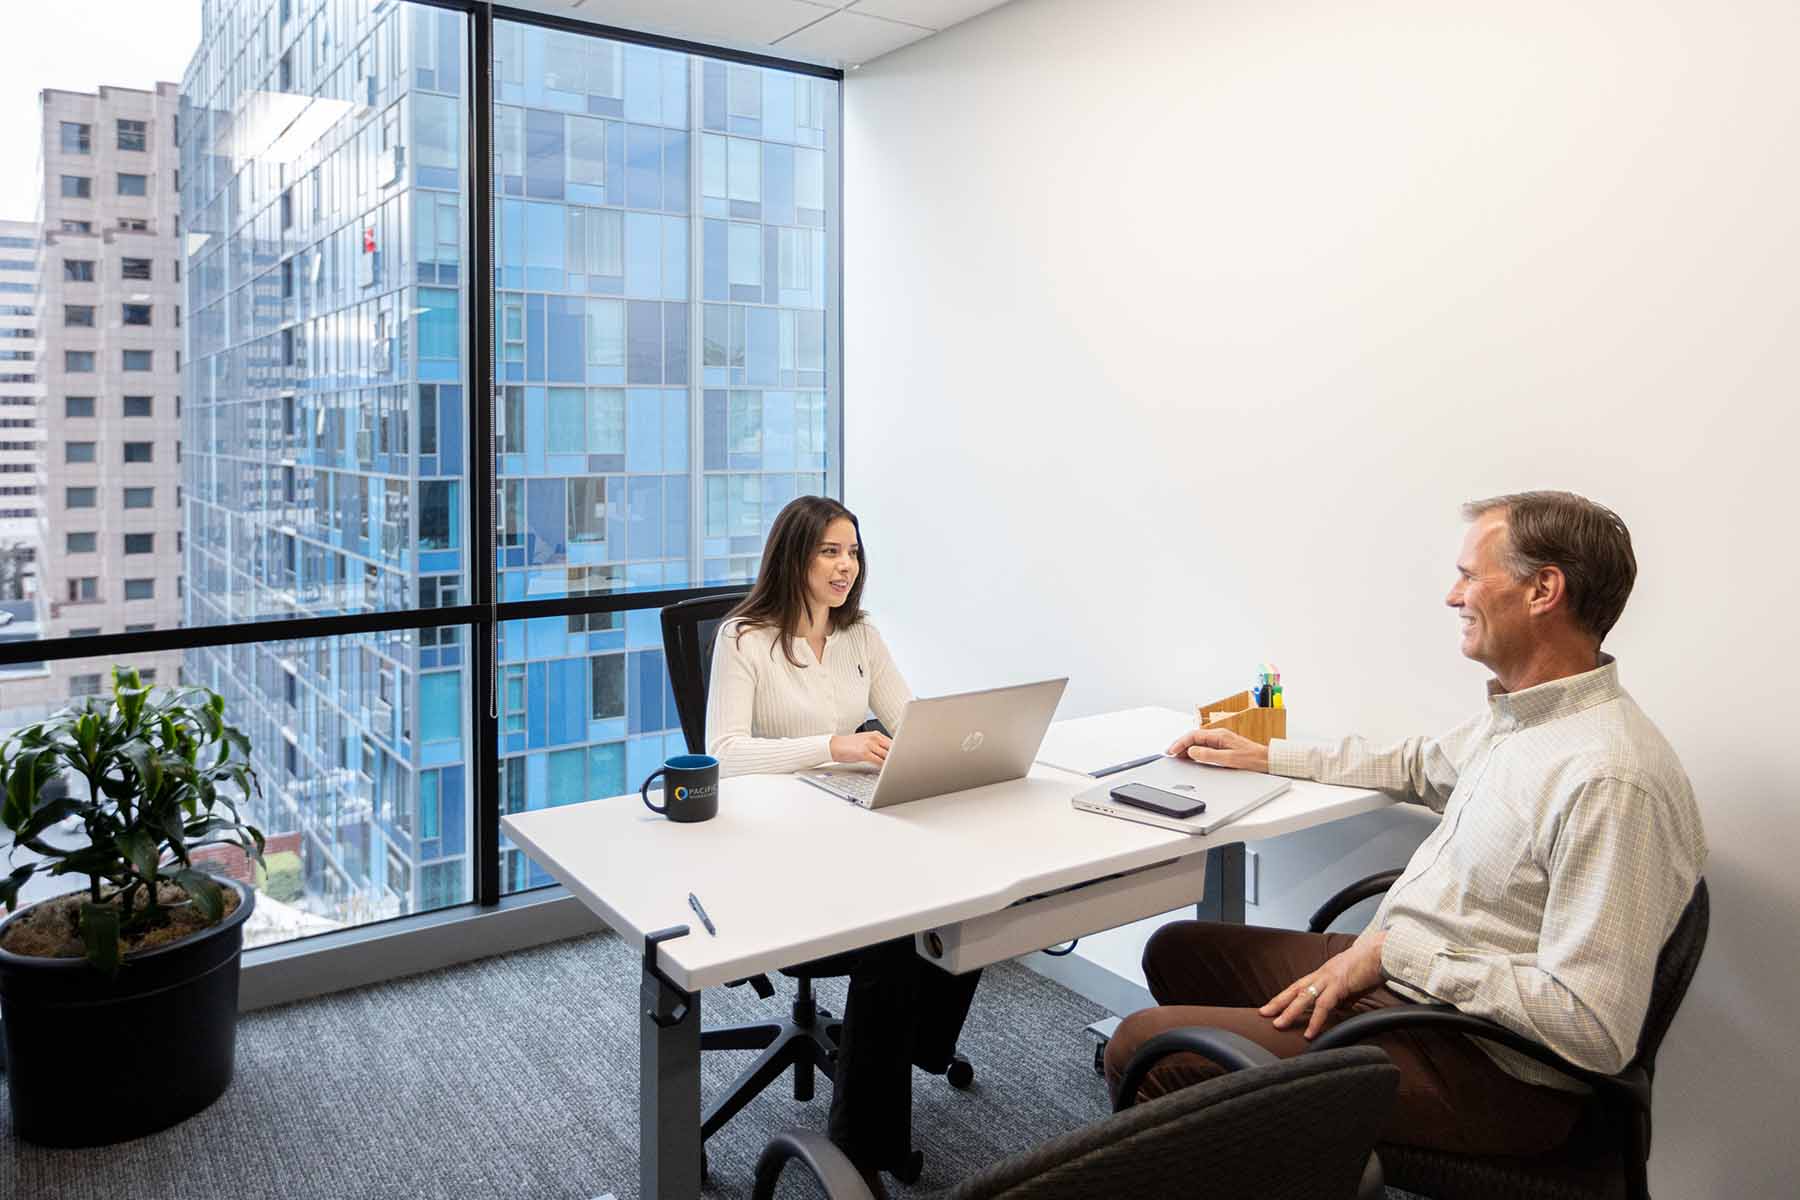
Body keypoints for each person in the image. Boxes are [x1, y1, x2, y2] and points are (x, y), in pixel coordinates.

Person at [1103, 491, 1707, 1157]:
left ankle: (1226, 1135)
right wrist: (1266, 754)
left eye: (1470, 576)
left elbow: (1592, 1026)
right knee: (1178, 951)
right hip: (1405, 983)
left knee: (1145, 1049)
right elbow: (1419, 765)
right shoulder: (1527, 719)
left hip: (1484, 1070)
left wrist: (1395, 954)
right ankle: (1261, 1145)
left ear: (1544, 589)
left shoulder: (1609, 778)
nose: (1453, 596)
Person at [705, 495, 980, 1192]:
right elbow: (726, 754)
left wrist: (949, 746)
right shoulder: (745, 639)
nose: (844, 566)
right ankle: (860, 1149)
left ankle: (913, 1044)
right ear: (794, 556)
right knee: (892, 935)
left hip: (850, 825)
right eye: (829, 551)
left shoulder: (861, 635)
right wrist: (834, 745)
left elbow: (909, 720)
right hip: (774, 845)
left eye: (853, 552)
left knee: (970, 884)